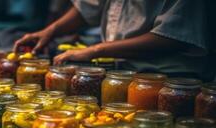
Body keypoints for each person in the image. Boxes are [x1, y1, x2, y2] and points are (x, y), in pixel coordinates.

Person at [14, 0, 213, 81]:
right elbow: (90, 6)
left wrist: (96, 50)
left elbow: (174, 37)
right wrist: (50, 31)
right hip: (118, 73)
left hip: (170, 79)